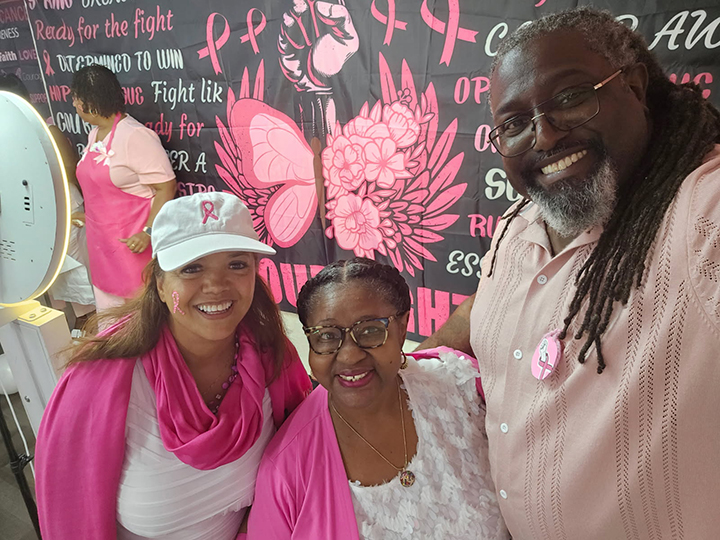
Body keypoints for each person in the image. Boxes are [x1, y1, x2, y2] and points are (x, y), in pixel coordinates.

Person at [420, 7, 720, 539]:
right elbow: (487, 307)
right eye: (514, 124)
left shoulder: (700, 215)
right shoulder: (519, 225)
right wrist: (403, 368)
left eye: (570, 97)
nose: (544, 136)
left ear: (633, 86)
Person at [35, 192, 312, 539]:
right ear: (161, 285)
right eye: (191, 268)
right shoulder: (95, 385)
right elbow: (70, 516)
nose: (217, 285)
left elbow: (299, 461)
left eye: (237, 265)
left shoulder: (274, 358)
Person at [248, 257, 508, 539]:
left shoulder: (460, 388)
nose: (349, 356)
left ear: (402, 328)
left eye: (370, 330)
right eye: (327, 336)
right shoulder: (285, 470)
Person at [71, 64, 176, 311]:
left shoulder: (135, 136)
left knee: (139, 313)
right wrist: (86, 215)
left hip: (133, 246)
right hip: (102, 247)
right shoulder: (95, 134)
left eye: (76, 98)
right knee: (109, 314)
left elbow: (166, 187)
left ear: (90, 102)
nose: (74, 104)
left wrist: (147, 231)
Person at [0, 74, 95, 322]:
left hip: (65, 208)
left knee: (76, 274)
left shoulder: (48, 133)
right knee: (49, 274)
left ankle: (88, 323)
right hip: (28, 214)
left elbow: (69, 169)